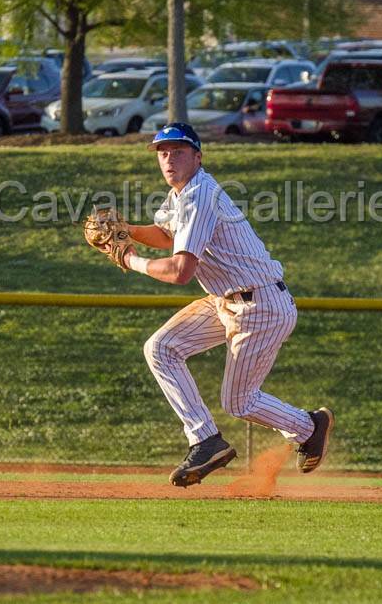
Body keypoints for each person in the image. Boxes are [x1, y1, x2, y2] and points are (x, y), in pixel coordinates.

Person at [118, 122, 333, 487]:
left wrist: (130, 260)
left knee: (239, 402)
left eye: (179, 151)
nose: (169, 158)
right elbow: (166, 235)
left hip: (260, 306)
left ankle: (309, 425)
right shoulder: (182, 196)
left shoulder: (200, 196)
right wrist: (127, 230)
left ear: (198, 157)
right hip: (227, 300)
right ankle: (205, 439)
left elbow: (181, 271)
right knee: (161, 348)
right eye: (163, 152)